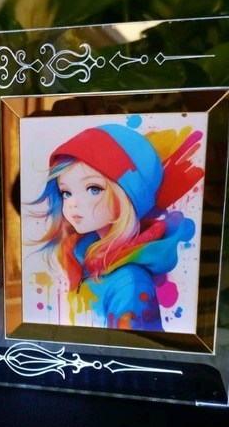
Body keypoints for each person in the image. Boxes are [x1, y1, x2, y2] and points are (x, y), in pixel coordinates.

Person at [29, 123, 202, 331]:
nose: (73, 203)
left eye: (93, 188)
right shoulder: (84, 257)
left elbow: (132, 347)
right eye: (66, 192)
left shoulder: (130, 283)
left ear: (130, 195)